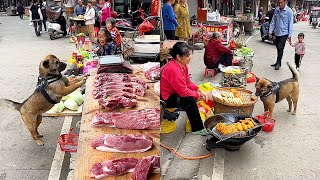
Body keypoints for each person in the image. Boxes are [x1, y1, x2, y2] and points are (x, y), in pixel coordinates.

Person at [160, 42, 209, 135]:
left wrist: (199, 89)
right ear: (178, 57)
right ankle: (197, 128)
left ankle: (196, 123)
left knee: (192, 95)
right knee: (189, 100)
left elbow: (188, 82)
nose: (190, 57)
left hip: (174, 91)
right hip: (165, 97)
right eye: (187, 55)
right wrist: (197, 95)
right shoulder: (173, 69)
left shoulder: (183, 65)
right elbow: (183, 92)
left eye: (190, 54)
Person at [269, 0, 293, 70]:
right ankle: (277, 61)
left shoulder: (289, 11)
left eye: (281, 2)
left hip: (284, 33)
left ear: (285, 2)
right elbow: (273, 21)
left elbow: (290, 24)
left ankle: (279, 63)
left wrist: (289, 35)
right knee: (277, 47)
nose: (280, 4)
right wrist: (270, 31)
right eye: (278, 2)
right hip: (277, 33)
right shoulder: (276, 10)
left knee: (280, 47)